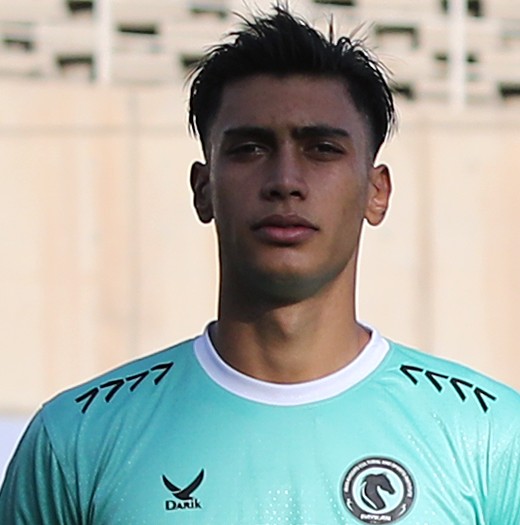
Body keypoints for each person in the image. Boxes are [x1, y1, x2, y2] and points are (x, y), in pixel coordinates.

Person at [1, 5, 519, 524]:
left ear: (376, 192)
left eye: (322, 149)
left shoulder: (491, 438)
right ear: (204, 189)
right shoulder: (76, 440)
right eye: (250, 148)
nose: (285, 180)